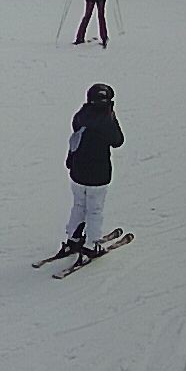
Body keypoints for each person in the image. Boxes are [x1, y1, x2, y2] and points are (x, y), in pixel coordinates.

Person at [62, 83, 125, 257]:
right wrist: (111, 115)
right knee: (94, 210)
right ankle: (91, 244)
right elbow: (118, 140)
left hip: (77, 171)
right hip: (98, 175)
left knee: (79, 206)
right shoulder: (106, 121)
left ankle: (72, 240)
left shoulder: (81, 115)